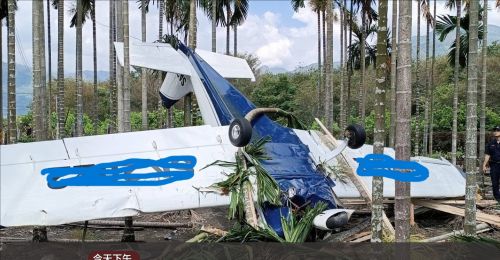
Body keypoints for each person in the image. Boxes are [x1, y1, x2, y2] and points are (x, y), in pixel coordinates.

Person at [483, 126, 500, 203]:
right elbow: (487, 155)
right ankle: (497, 199)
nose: (495, 132)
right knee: (494, 182)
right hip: (494, 165)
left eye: (497, 130)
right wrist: (484, 165)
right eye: (494, 130)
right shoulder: (490, 143)